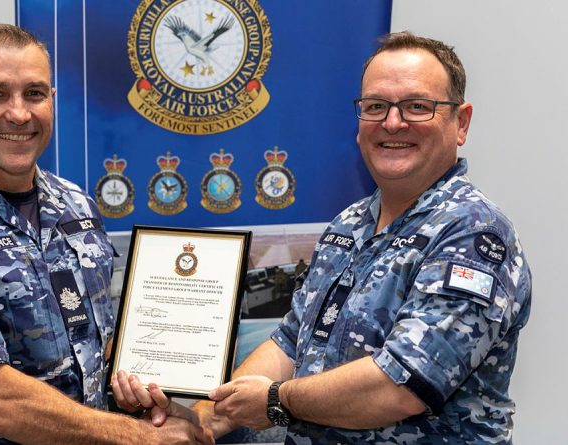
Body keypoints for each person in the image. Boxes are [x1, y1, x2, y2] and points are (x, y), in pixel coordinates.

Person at [168, 31, 529, 443]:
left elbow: (401, 386)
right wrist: (200, 424)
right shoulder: (348, 224)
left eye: (416, 106)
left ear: (459, 122)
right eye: (376, 106)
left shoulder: (472, 233)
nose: (393, 122)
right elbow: (290, 342)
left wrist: (275, 402)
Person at [0, 23, 210, 445]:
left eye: (34, 94)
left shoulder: (75, 205)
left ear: (51, 102)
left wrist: (135, 392)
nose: (19, 113)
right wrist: (139, 437)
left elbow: (94, 347)